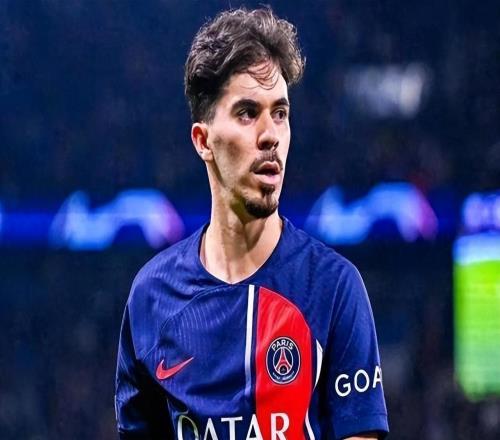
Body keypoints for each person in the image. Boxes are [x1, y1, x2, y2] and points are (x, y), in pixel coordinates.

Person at [115, 7, 389, 440]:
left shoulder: (334, 288)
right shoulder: (151, 297)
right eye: (247, 112)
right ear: (203, 141)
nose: (270, 135)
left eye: (279, 113)